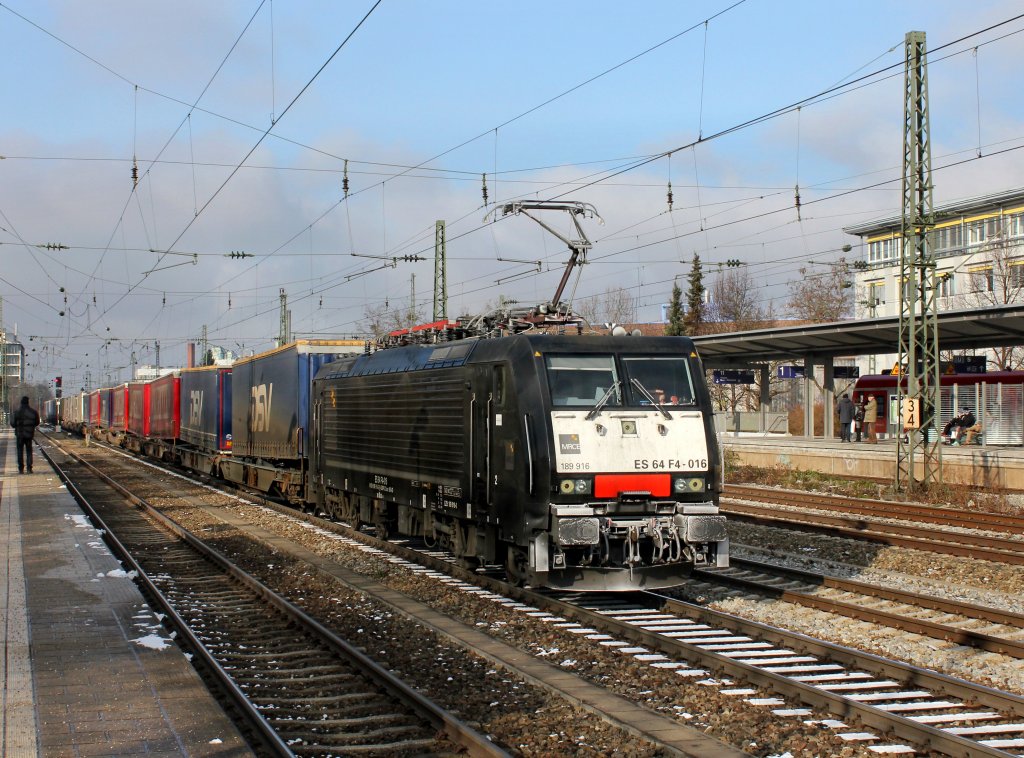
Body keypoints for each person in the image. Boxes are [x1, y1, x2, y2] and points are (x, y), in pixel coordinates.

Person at [11, 396, 40, 474]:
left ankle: (21, 469)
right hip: (29, 435)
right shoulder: (33, 412)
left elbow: (13, 424)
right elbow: (37, 422)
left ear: (21, 402)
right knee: (29, 451)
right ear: (28, 402)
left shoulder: (16, 412)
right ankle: (29, 468)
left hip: (20, 435)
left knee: (20, 452)